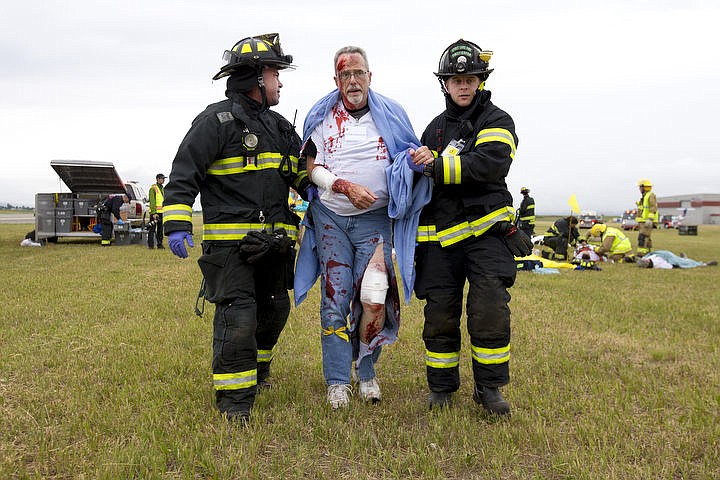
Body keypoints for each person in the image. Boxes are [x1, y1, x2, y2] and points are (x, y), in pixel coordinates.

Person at [162, 33, 308, 422]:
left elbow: (298, 176)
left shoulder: (279, 127)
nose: (280, 82)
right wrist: (176, 223)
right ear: (258, 78)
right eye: (276, 74)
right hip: (232, 251)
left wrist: (330, 190)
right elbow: (182, 176)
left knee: (275, 311)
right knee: (238, 318)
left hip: (275, 246)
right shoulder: (214, 122)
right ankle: (234, 402)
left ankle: (258, 373)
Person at [294, 45, 426, 410]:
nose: (353, 81)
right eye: (345, 75)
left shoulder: (392, 115)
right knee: (334, 299)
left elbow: (409, 154)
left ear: (370, 76)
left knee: (374, 297)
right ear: (335, 80)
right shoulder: (323, 116)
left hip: (375, 221)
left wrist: (418, 160)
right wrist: (344, 187)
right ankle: (338, 380)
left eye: (359, 73)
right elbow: (311, 168)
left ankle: (366, 370)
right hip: (331, 219)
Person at [408, 39, 532, 416]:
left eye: (470, 78)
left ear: (481, 81)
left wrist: (436, 166)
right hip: (440, 243)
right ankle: (441, 389)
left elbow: (489, 164)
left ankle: (489, 388)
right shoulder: (433, 129)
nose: (463, 85)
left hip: (487, 238)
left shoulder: (497, 120)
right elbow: (420, 185)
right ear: (444, 84)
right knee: (440, 315)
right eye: (455, 79)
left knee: (489, 310)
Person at [635, 178, 658, 255]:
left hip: (647, 221)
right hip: (643, 221)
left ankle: (641, 255)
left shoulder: (650, 195)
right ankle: (649, 254)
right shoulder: (644, 197)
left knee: (642, 238)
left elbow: (653, 207)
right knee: (647, 239)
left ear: (643, 187)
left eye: (640, 187)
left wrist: (650, 219)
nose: (639, 189)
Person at [637, 251, 717, 269]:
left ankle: (684, 258)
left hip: (664, 253)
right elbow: (672, 266)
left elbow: (649, 254)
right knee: (685, 262)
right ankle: (704, 264)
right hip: (670, 258)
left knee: (681, 260)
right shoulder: (659, 264)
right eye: (645, 261)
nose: (645, 259)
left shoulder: (648, 257)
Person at [147, 173, 166, 249]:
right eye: (162, 178)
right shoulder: (153, 188)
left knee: (160, 229)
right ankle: (151, 246)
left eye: (164, 178)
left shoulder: (162, 188)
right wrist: (154, 213)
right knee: (152, 229)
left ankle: (159, 244)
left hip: (161, 212)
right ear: (158, 179)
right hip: (155, 213)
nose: (163, 180)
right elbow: (152, 201)